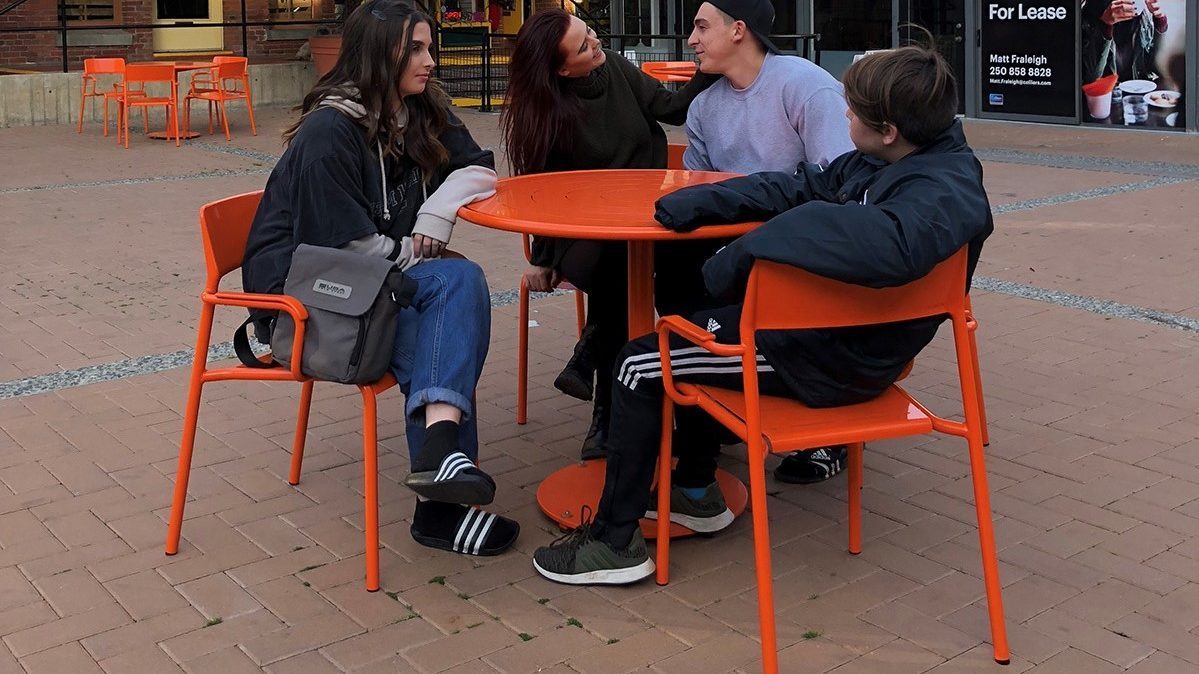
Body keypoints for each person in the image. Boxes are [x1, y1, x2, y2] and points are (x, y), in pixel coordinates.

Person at [531, 42, 994, 584]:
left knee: (640, 364)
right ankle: (698, 490)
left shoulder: (946, 189)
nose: (843, 115)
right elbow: (801, 184)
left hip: (831, 361)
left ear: (888, 128)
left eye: (852, 110)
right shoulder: (888, 159)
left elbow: (892, 243)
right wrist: (704, 202)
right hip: (827, 340)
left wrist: (751, 248)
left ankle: (614, 546)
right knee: (689, 310)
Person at [242, 0, 518, 558]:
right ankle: (440, 494)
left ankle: (439, 469)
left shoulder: (417, 108)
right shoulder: (328, 133)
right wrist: (426, 258)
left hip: (371, 281)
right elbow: (346, 251)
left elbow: (480, 169)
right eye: (415, 49)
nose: (431, 60)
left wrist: (437, 211)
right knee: (452, 296)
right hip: (307, 294)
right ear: (378, 56)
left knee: (451, 295)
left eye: (430, 47)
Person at [501, 9, 716, 461]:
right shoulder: (544, 111)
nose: (596, 46)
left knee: (622, 270)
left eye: (591, 35)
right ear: (561, 69)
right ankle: (610, 392)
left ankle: (603, 394)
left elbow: (669, 107)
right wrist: (543, 258)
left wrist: (710, 70)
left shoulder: (613, 66)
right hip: (585, 237)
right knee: (614, 265)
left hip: (642, 220)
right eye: (583, 47)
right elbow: (538, 194)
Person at [683, 0, 859, 485]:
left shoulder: (804, 85)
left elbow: (843, 186)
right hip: (732, 251)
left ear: (739, 30)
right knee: (671, 281)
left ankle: (828, 428)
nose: (692, 39)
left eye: (701, 26)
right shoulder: (704, 107)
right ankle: (710, 410)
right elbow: (698, 193)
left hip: (807, 253)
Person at [1082, 0, 1169, 84]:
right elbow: (1092, 79)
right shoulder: (1086, 18)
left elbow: (1155, 66)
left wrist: (1160, 21)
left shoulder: (1143, 16)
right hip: (1107, 95)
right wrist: (1105, 25)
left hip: (1138, 90)